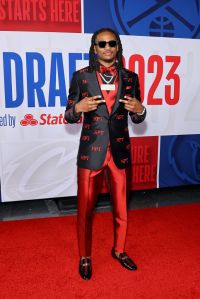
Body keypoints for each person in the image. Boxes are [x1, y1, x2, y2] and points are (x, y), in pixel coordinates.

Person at [65, 28, 146, 280]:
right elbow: (68, 114)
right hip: (91, 152)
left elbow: (136, 114)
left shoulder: (131, 77)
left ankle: (119, 250)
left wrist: (140, 109)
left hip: (119, 151)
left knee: (121, 208)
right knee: (85, 211)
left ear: (118, 47)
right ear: (95, 48)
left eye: (112, 43)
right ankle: (85, 256)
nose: (107, 48)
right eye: (102, 44)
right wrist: (77, 107)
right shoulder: (81, 77)